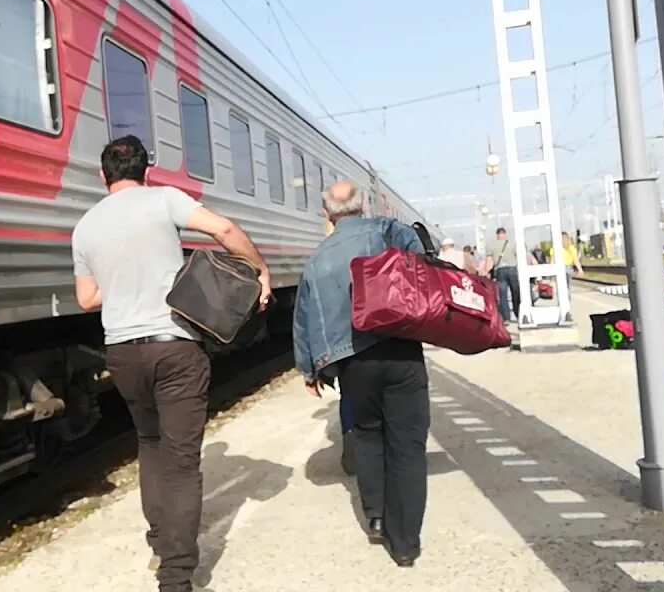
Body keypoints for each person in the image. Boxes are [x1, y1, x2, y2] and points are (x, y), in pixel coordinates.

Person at [72, 136, 271, 592]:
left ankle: (161, 542)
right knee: (181, 462)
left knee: (149, 443)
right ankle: (176, 576)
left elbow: (87, 298)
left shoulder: (85, 226)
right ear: (147, 171)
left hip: (122, 353)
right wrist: (259, 270)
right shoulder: (164, 199)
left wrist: (124, 282)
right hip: (174, 346)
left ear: (103, 176)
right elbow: (223, 231)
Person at [293, 181, 430, 567]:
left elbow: (302, 318)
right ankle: (405, 543)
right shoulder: (388, 230)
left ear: (327, 214)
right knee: (407, 444)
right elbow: (421, 258)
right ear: (363, 204)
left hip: (353, 362)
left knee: (367, 437)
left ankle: (376, 517)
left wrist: (309, 369)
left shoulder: (317, 259)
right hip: (400, 351)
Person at [484, 227, 519, 325]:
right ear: (505, 234)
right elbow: (518, 255)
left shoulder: (491, 245)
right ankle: (518, 313)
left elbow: (489, 260)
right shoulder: (512, 244)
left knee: (503, 295)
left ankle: (506, 317)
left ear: (497, 235)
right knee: (515, 292)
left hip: (500, 271)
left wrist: (487, 272)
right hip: (513, 270)